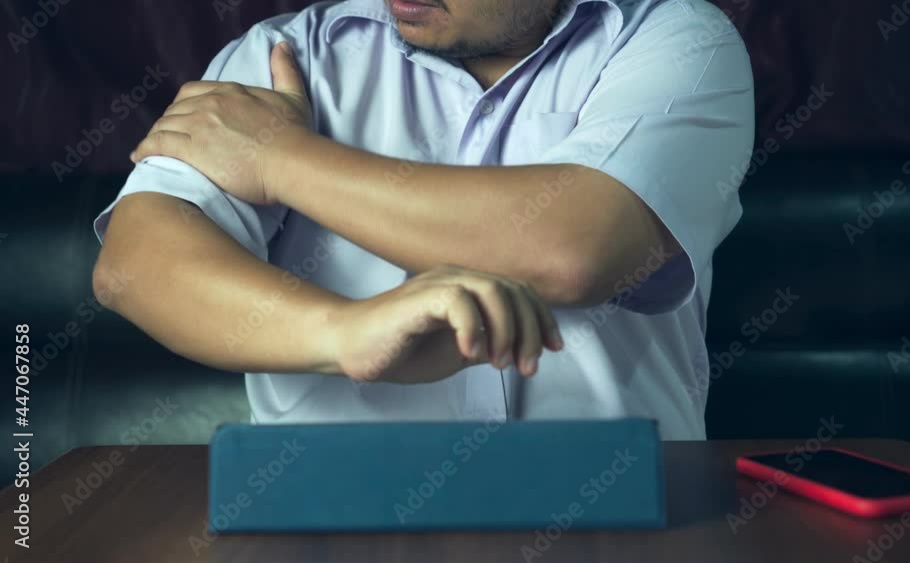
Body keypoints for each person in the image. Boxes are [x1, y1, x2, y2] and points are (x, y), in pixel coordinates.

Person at [92, 0, 754, 437]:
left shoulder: (680, 40)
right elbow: (133, 263)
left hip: (616, 519)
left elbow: (575, 248)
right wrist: (345, 333)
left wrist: (279, 157)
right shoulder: (286, 54)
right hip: (326, 520)